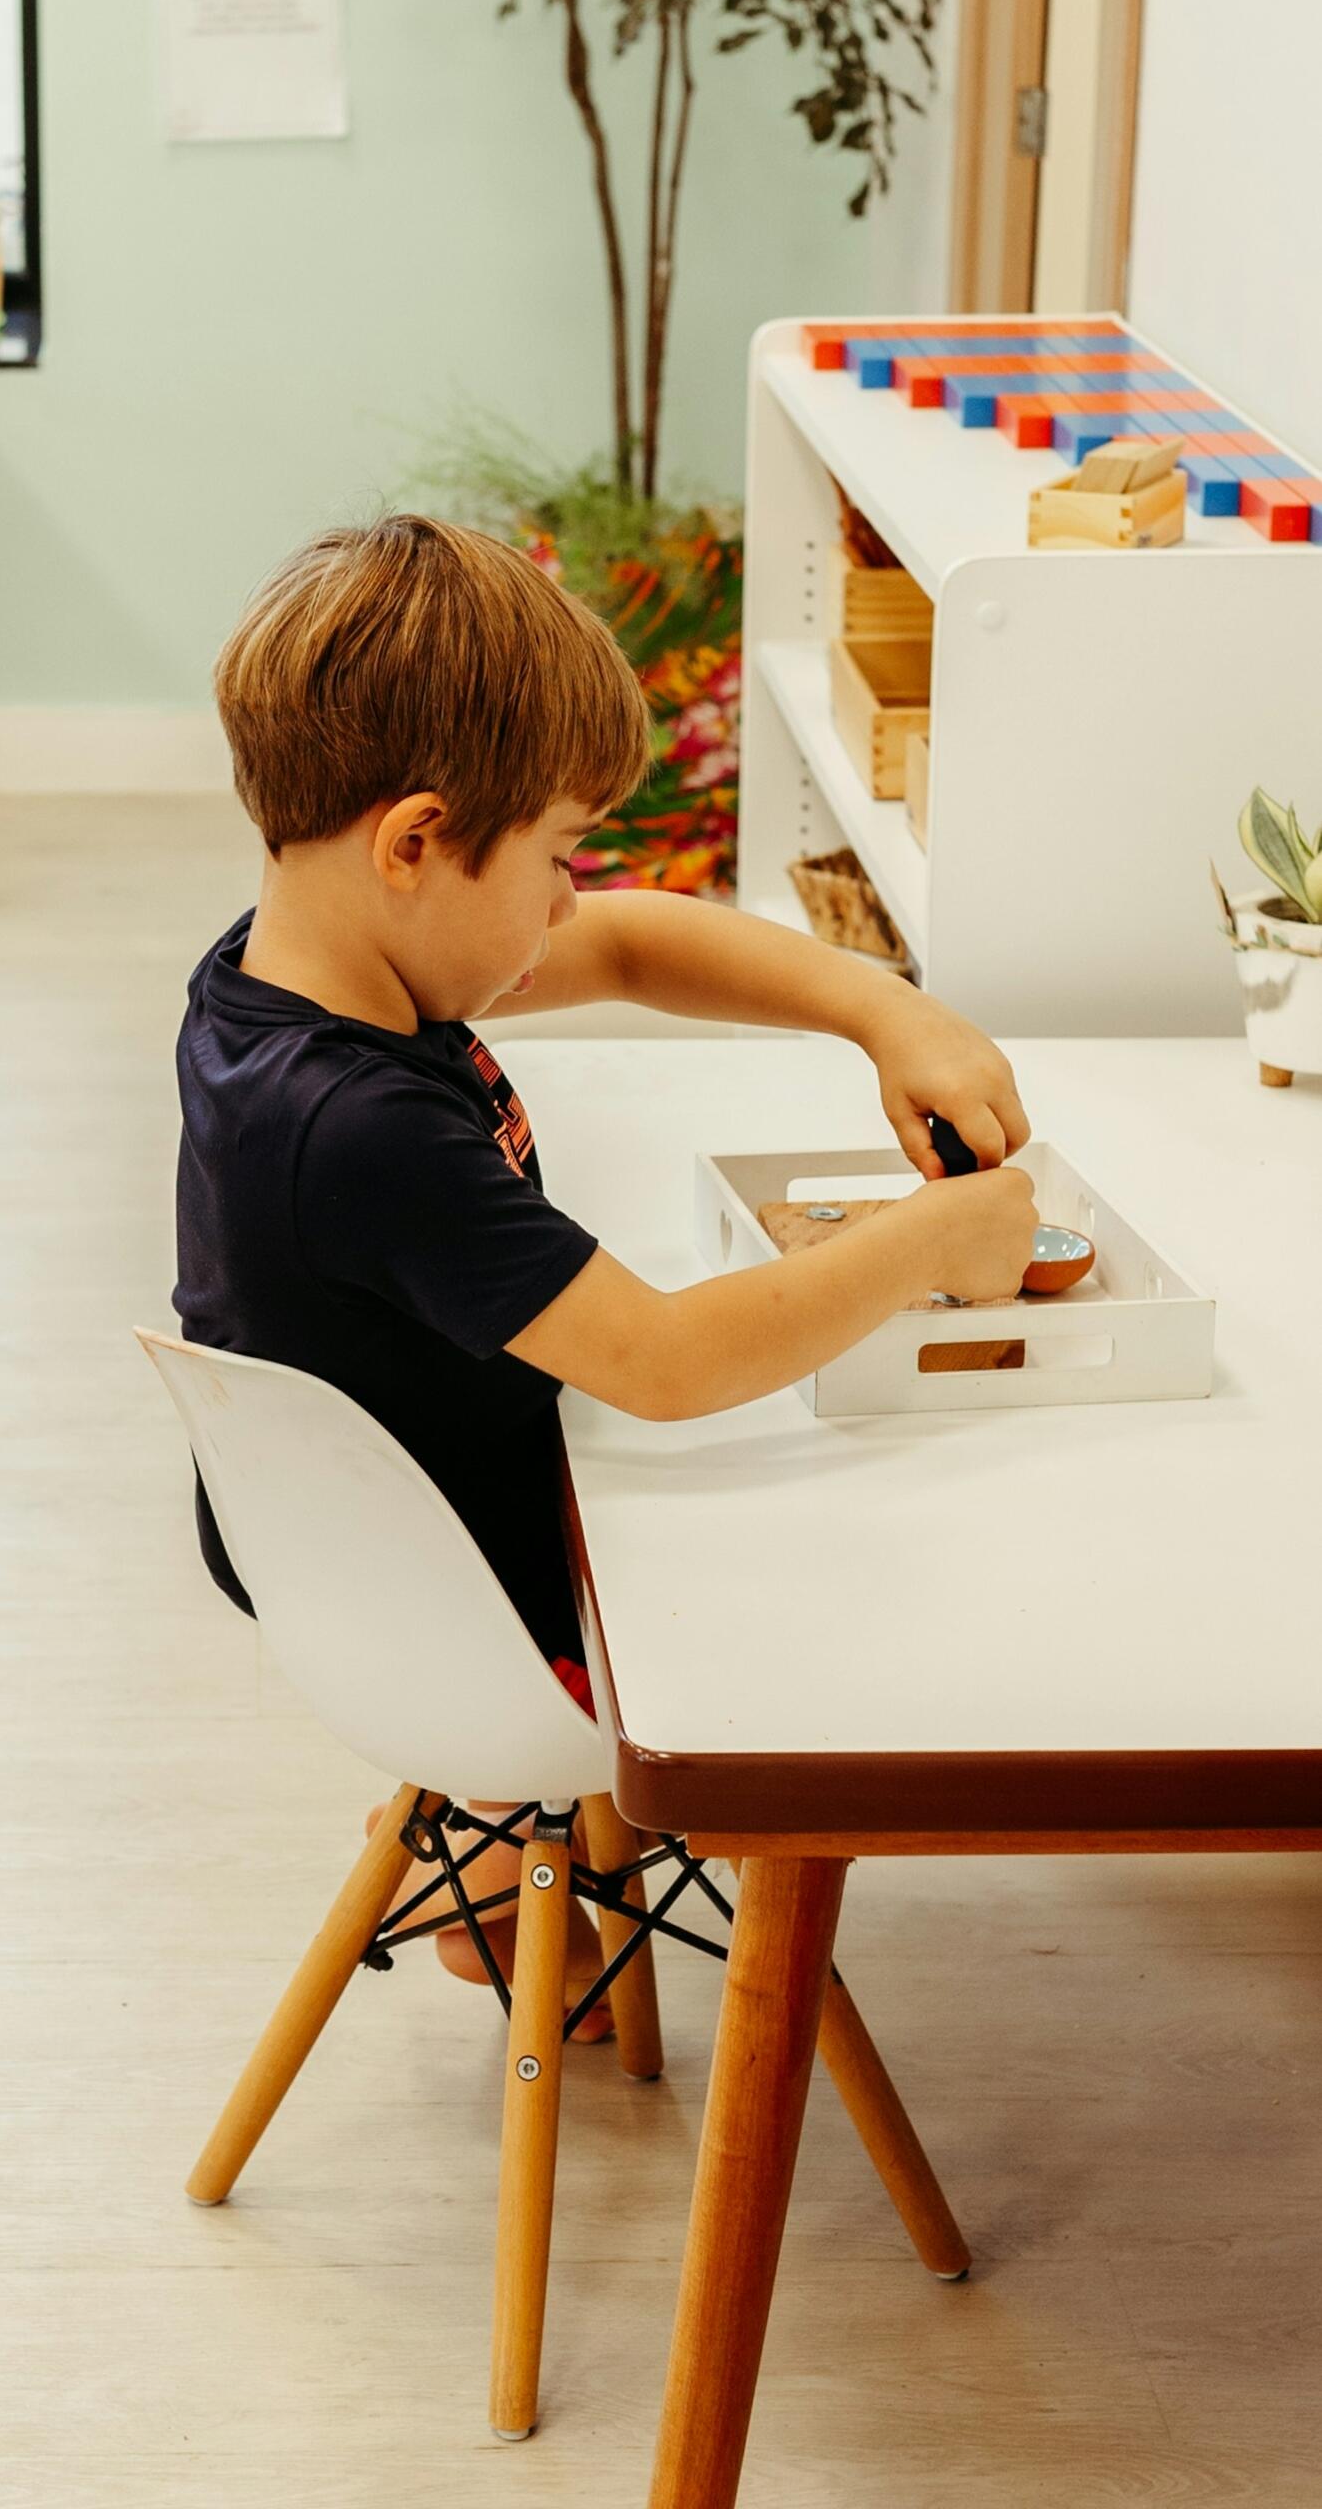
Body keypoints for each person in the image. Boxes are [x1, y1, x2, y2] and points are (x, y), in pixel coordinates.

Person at [173, 513, 1036, 2025]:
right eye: (562, 851)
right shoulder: (357, 1125)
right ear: (417, 841)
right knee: (905, 1541)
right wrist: (929, 1242)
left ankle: (501, 1848)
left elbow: (631, 947)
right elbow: (672, 1364)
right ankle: (520, 1840)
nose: (574, 898)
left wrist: (886, 1015)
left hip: (379, 1516)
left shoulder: (300, 963)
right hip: (470, 1594)